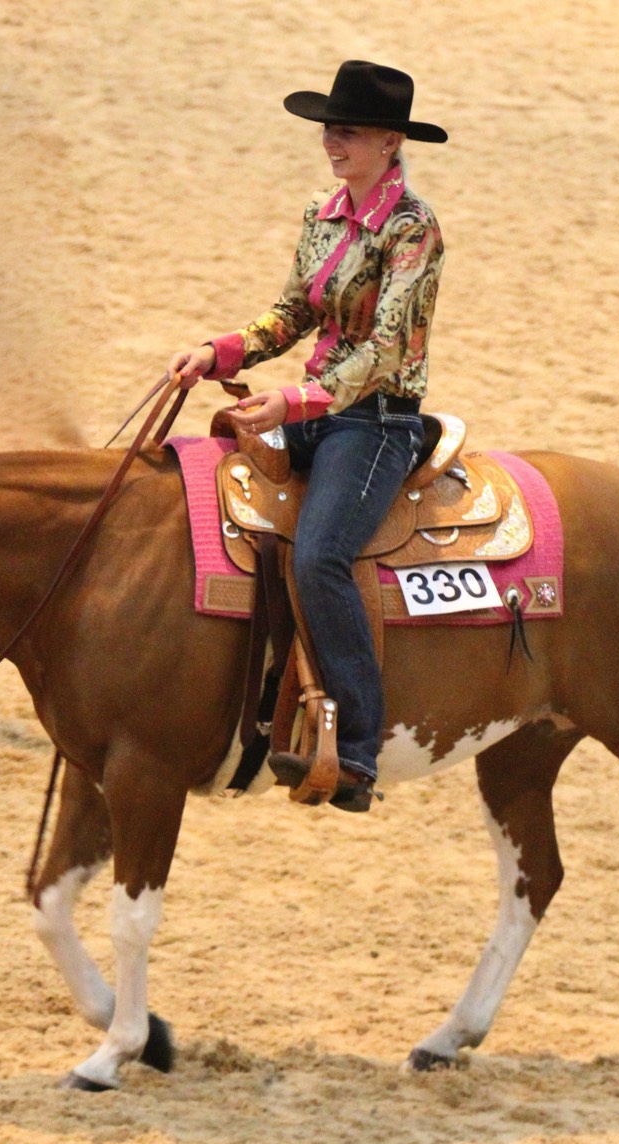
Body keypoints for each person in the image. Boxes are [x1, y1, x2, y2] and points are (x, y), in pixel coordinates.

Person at [168, 60, 447, 813]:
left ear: (390, 142)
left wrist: (294, 400)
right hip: (314, 411)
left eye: (348, 130)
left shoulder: (412, 229)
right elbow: (291, 314)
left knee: (323, 555)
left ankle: (355, 750)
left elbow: (386, 348)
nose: (332, 140)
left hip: (375, 421)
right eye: (329, 127)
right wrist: (219, 352)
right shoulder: (322, 213)